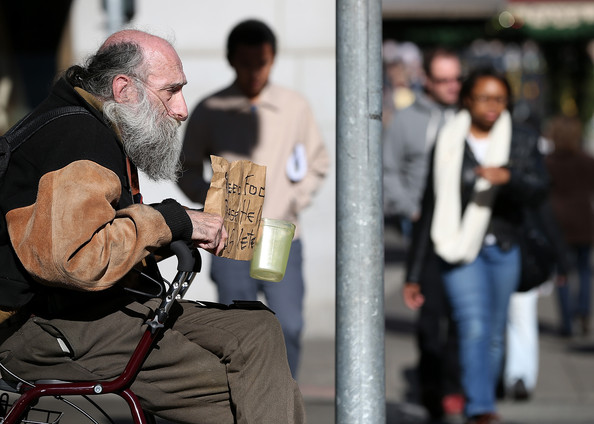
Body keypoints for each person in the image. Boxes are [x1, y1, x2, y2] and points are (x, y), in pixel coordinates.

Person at [0, 29, 305, 424]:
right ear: (124, 88)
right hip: (44, 324)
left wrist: (181, 227)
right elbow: (75, 260)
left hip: (90, 306)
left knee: (258, 328)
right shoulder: (76, 137)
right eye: (170, 91)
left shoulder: (95, 124)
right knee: (246, 392)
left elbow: (103, 233)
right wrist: (173, 221)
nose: (182, 109)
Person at [177, 19, 329, 379]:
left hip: (281, 235)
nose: (254, 72)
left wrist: (295, 199)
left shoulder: (294, 106)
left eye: (262, 62)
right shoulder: (211, 108)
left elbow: (318, 161)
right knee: (236, 329)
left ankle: (283, 399)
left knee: (288, 324)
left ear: (273, 59)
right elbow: (185, 168)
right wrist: (213, 203)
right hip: (231, 238)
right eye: (245, 62)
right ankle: (243, 402)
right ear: (231, 60)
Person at [403, 68, 550, 424]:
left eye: (500, 99)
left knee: (496, 331)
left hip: (503, 246)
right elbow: (432, 203)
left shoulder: (522, 138)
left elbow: (540, 189)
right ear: (467, 99)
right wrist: (414, 272)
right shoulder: (449, 138)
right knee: (473, 326)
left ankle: (482, 394)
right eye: (484, 97)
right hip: (457, 247)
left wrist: (509, 177)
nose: (492, 106)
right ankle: (479, 407)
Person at [383, 47, 464, 421]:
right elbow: (389, 169)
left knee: (464, 315)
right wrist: (409, 207)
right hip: (424, 233)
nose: (453, 86)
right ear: (427, 81)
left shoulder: (468, 116)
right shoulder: (407, 121)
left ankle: (457, 386)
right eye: (444, 79)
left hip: (466, 231)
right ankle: (435, 391)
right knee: (431, 318)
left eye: (457, 79)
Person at [545, 114, 594, 337]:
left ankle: (567, 321)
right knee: (584, 270)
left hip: (558, 223)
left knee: (562, 273)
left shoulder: (547, 162)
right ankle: (583, 310)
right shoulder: (587, 160)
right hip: (584, 220)